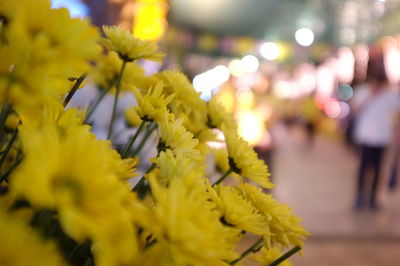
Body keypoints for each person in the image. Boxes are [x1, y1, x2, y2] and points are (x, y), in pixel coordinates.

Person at [352, 53, 400, 210]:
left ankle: (373, 198)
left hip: (382, 137)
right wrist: (369, 97)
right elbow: (355, 110)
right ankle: (360, 197)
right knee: (363, 167)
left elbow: (396, 114)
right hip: (366, 136)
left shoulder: (390, 95)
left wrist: (395, 132)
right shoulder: (364, 91)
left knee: (378, 169)